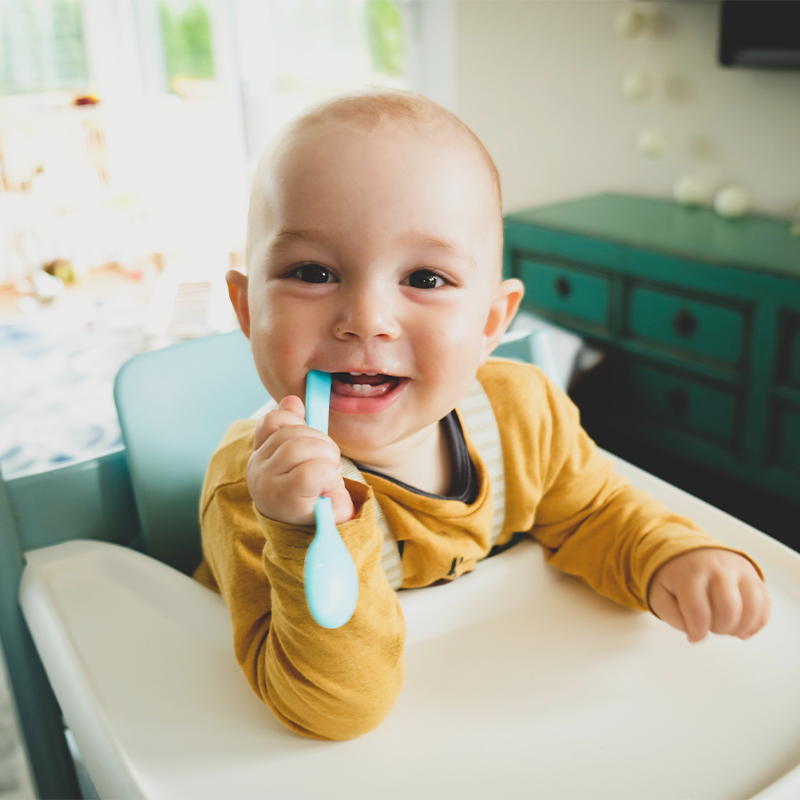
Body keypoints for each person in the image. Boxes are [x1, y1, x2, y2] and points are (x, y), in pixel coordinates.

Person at [193, 89, 771, 741]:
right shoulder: (251, 493)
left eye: (427, 278)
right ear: (246, 310)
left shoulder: (521, 414)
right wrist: (302, 530)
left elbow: (593, 513)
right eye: (312, 271)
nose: (367, 321)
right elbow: (333, 709)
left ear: (493, 321)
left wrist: (671, 557)